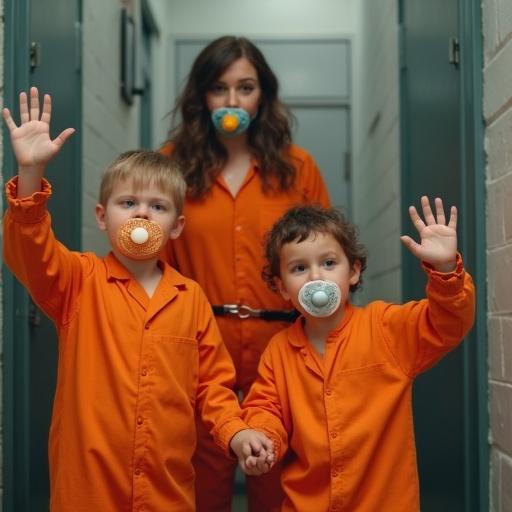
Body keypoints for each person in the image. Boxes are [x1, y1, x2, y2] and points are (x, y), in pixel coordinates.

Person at [2, 87, 275, 512]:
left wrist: (236, 432)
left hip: (167, 490)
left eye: (157, 206)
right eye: (127, 203)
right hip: (89, 490)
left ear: (178, 225)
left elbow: (213, 388)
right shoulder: (78, 280)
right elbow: (30, 249)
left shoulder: (191, 299)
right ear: (102, 216)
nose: (142, 215)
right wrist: (31, 172)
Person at [160, 35, 330, 510]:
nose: (232, 101)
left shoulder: (299, 168)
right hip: (199, 352)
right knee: (200, 485)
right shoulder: (171, 166)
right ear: (202, 97)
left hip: (285, 351)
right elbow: (156, 266)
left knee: (280, 484)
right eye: (219, 88)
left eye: (246, 87)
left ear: (264, 96)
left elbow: (323, 261)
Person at [241, 201, 476, 511]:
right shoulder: (278, 351)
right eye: (299, 268)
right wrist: (262, 438)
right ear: (282, 287)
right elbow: (265, 407)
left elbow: (447, 323)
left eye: (328, 263)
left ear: (353, 271)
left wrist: (445, 270)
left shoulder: (386, 328)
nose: (315, 277)